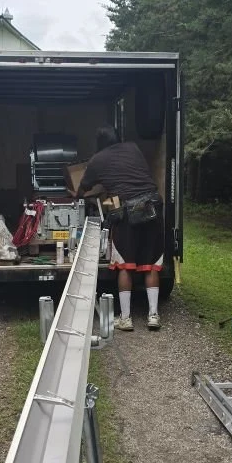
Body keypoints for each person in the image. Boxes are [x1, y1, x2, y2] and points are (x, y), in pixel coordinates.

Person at [77, 125, 164, 331]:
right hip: (152, 207)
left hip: (127, 212)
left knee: (125, 265)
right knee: (150, 265)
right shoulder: (133, 147)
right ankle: (153, 316)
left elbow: (84, 186)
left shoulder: (97, 160)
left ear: (99, 143)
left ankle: (126, 318)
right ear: (118, 138)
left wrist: (78, 194)